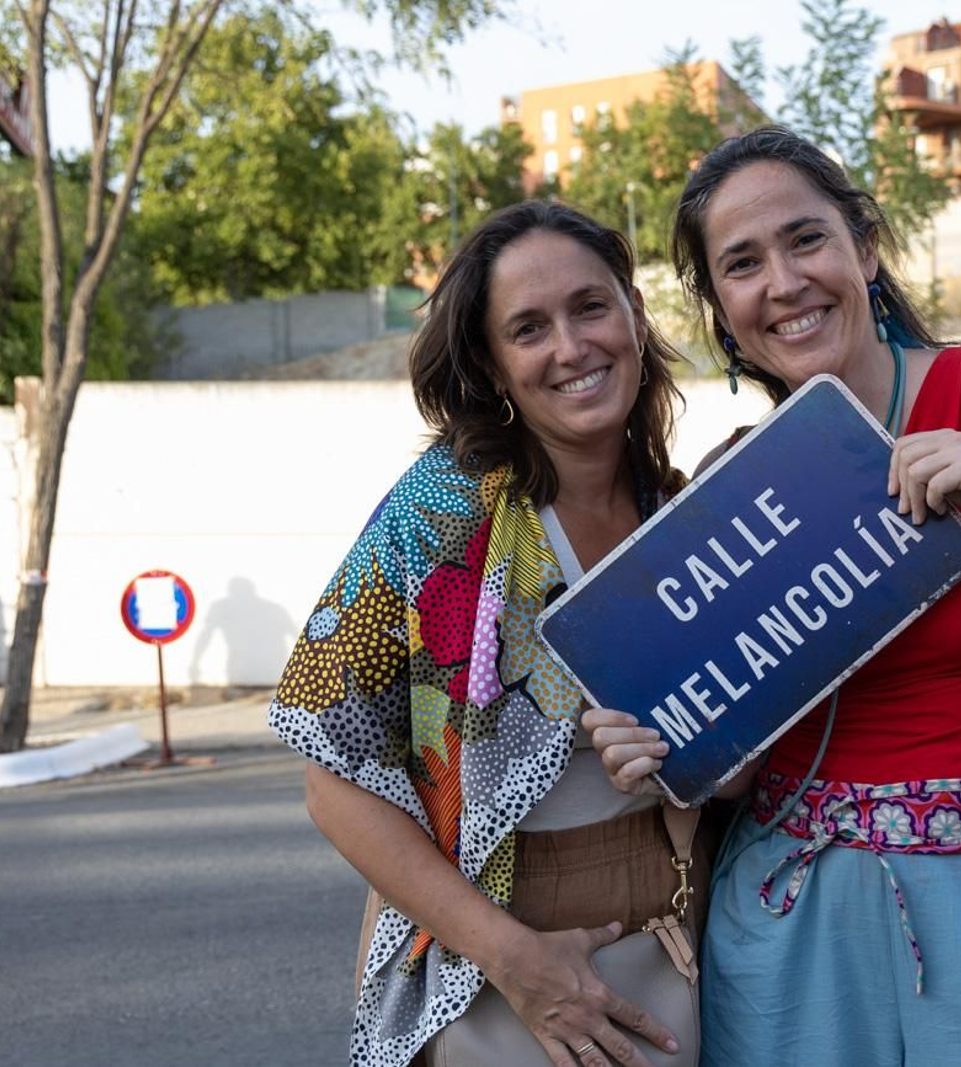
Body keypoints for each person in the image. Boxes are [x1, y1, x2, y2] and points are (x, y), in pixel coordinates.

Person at [586, 125, 961, 1065]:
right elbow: (735, 767)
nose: (784, 281)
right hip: (790, 922)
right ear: (724, 312)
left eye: (806, 239)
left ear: (865, 246)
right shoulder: (732, 486)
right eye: (742, 264)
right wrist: (661, 749)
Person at [269, 201, 713, 1067]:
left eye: (591, 306)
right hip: (494, 983)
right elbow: (331, 774)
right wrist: (517, 961)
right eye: (528, 328)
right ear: (494, 366)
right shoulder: (440, 510)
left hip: (683, 959)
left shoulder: (681, 508)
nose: (571, 346)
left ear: (632, 313)